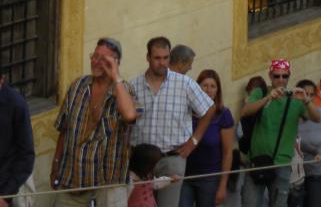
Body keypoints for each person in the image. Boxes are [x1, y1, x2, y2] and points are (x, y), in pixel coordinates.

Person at [52, 38, 138, 207]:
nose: (96, 62)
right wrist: (55, 165)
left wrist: (116, 77)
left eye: (104, 59)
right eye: (95, 56)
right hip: (72, 178)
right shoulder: (78, 86)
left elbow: (129, 115)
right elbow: (64, 129)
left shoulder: (124, 91)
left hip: (108, 182)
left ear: (116, 63)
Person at [131, 37, 215, 207]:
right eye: (157, 58)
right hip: (141, 161)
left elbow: (209, 109)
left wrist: (193, 141)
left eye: (166, 58)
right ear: (148, 57)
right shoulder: (134, 85)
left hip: (172, 159)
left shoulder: (184, 83)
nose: (162, 63)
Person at [241, 59, 320, 207]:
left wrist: (306, 100)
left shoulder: (296, 99)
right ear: (270, 76)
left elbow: (317, 118)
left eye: (285, 76)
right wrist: (268, 98)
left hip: (282, 163)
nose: (281, 80)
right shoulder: (261, 92)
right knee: (250, 203)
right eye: (277, 76)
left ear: (289, 76)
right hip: (257, 161)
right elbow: (245, 111)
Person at [182, 70, 234, 207]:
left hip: (210, 178)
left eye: (213, 86)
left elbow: (228, 152)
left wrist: (223, 185)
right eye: (205, 85)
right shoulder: (186, 112)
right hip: (184, 175)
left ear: (218, 90)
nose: (209, 90)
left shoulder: (223, 115)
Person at [0, 69, 34, 207]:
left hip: (8, 187)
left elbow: (27, 155)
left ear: (2, 79)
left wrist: (5, 196)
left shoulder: (16, 104)